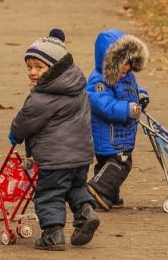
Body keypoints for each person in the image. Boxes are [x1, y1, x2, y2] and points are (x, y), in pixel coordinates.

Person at [8, 29, 100, 251]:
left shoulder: (42, 97)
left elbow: (25, 121)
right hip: (80, 156)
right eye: (29, 67)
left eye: (39, 67)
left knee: (49, 194)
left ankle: (53, 234)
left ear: (55, 69)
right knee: (75, 186)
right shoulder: (78, 88)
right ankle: (86, 213)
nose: (32, 72)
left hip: (54, 159)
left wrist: (15, 134)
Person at [85, 29, 149, 211]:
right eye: (121, 64)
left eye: (129, 63)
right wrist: (127, 109)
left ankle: (109, 195)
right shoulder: (98, 80)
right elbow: (102, 103)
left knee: (107, 164)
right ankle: (97, 189)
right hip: (109, 134)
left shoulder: (128, 77)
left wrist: (142, 95)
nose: (126, 68)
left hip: (121, 133)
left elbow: (133, 89)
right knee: (121, 163)